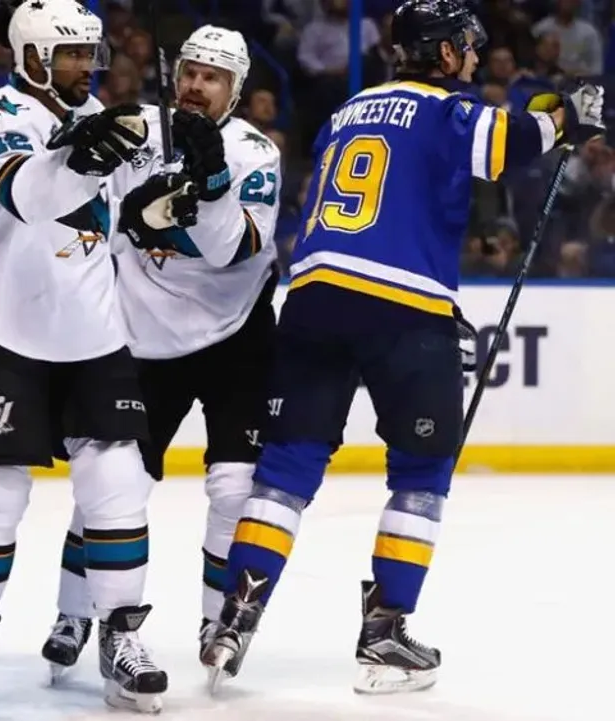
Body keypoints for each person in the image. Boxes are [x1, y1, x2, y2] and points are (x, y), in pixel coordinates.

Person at [200, 0, 604, 695]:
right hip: (403, 307)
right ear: (443, 54)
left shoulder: (346, 112)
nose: (472, 59)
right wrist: (570, 116)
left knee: (286, 468)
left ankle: (233, 619)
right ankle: (385, 634)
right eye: (466, 48)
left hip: (313, 298)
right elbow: (508, 143)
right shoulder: (447, 109)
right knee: (422, 472)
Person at [0, 0, 167, 713]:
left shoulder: (100, 117)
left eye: (89, 54)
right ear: (32, 57)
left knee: (119, 479)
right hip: (0, 329)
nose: (84, 67)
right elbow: (28, 195)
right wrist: (89, 151)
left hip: (90, 331)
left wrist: (180, 192)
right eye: (70, 54)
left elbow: (136, 212)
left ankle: (121, 633)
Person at [39, 25, 284, 686]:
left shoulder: (254, 153)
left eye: (213, 77)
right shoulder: (138, 129)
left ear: (236, 88)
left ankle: (216, 623)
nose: (197, 86)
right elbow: (74, 197)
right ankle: (74, 611)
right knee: (112, 485)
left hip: (236, 336)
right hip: (144, 336)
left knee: (234, 487)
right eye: (191, 73)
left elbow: (234, 249)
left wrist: (211, 183)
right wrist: (80, 146)